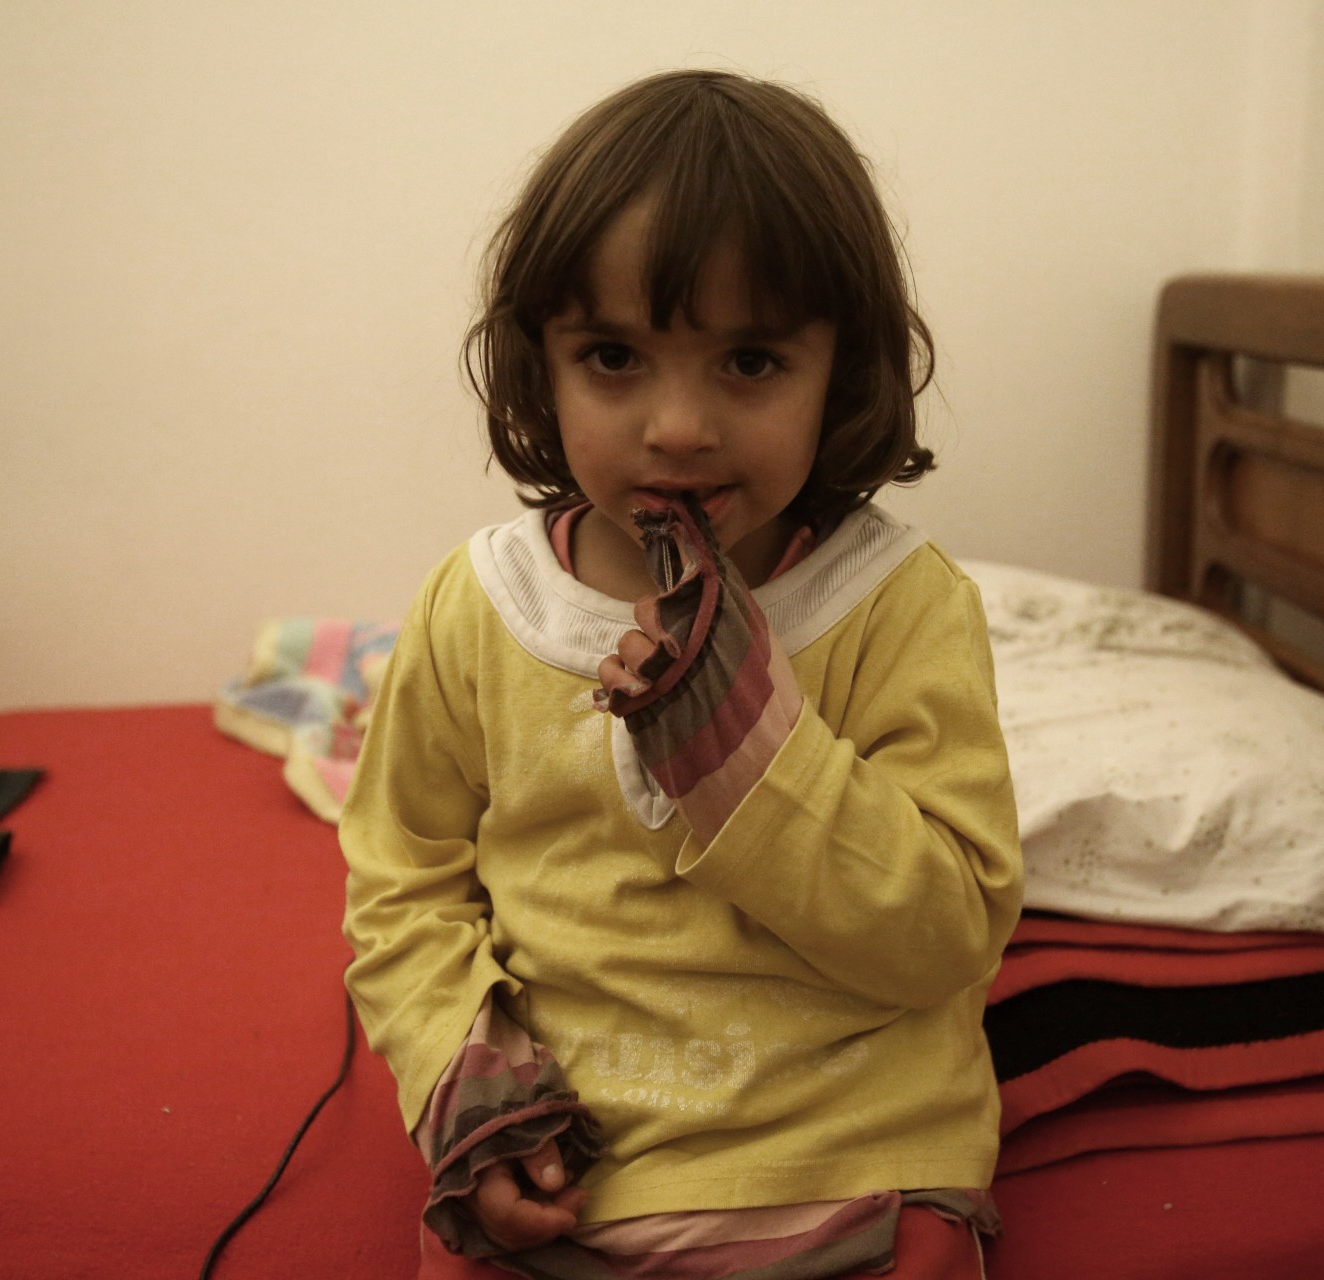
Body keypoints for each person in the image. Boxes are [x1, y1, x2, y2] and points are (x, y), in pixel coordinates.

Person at [340, 68, 1022, 1280]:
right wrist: (464, 1073)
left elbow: (949, 932)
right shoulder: (481, 604)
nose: (678, 427)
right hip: (564, 1167)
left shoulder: (899, 604)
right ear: (540, 366)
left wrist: (741, 742)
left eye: (750, 361)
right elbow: (402, 887)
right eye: (613, 355)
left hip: (856, 1160)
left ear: (843, 369)